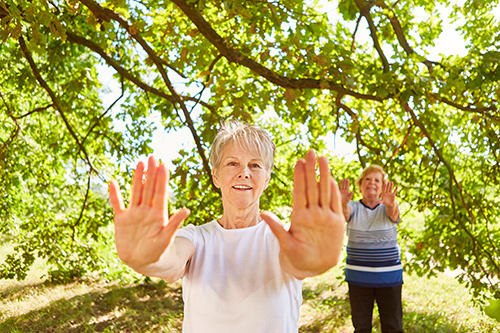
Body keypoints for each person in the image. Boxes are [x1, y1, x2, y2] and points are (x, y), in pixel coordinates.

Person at [109, 121, 345, 332]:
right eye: (233, 163)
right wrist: (149, 258)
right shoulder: (196, 238)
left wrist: (313, 260)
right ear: (216, 176)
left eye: (255, 165)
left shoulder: (285, 238)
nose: (244, 173)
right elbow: (170, 260)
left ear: (267, 179)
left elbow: (297, 263)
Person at [340, 165, 403, 333]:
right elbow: (344, 214)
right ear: (360, 185)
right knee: (361, 328)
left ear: (383, 187)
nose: (372, 183)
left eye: (377, 180)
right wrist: (342, 203)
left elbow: (394, 213)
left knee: (393, 328)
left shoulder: (388, 207)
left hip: (389, 278)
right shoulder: (352, 206)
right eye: (367, 179)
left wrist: (391, 203)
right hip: (358, 278)